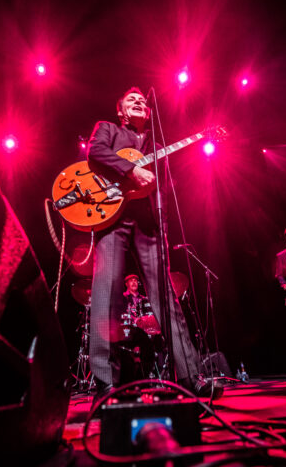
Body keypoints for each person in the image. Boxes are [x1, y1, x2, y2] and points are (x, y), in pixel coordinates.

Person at [86, 87, 220, 405]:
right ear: (120, 111)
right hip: (110, 215)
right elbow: (95, 152)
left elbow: (167, 183)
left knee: (166, 299)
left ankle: (190, 378)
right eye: (131, 99)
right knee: (106, 294)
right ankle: (106, 383)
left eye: (142, 101)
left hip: (147, 220)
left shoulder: (155, 144)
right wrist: (130, 168)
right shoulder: (107, 128)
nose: (139, 102)